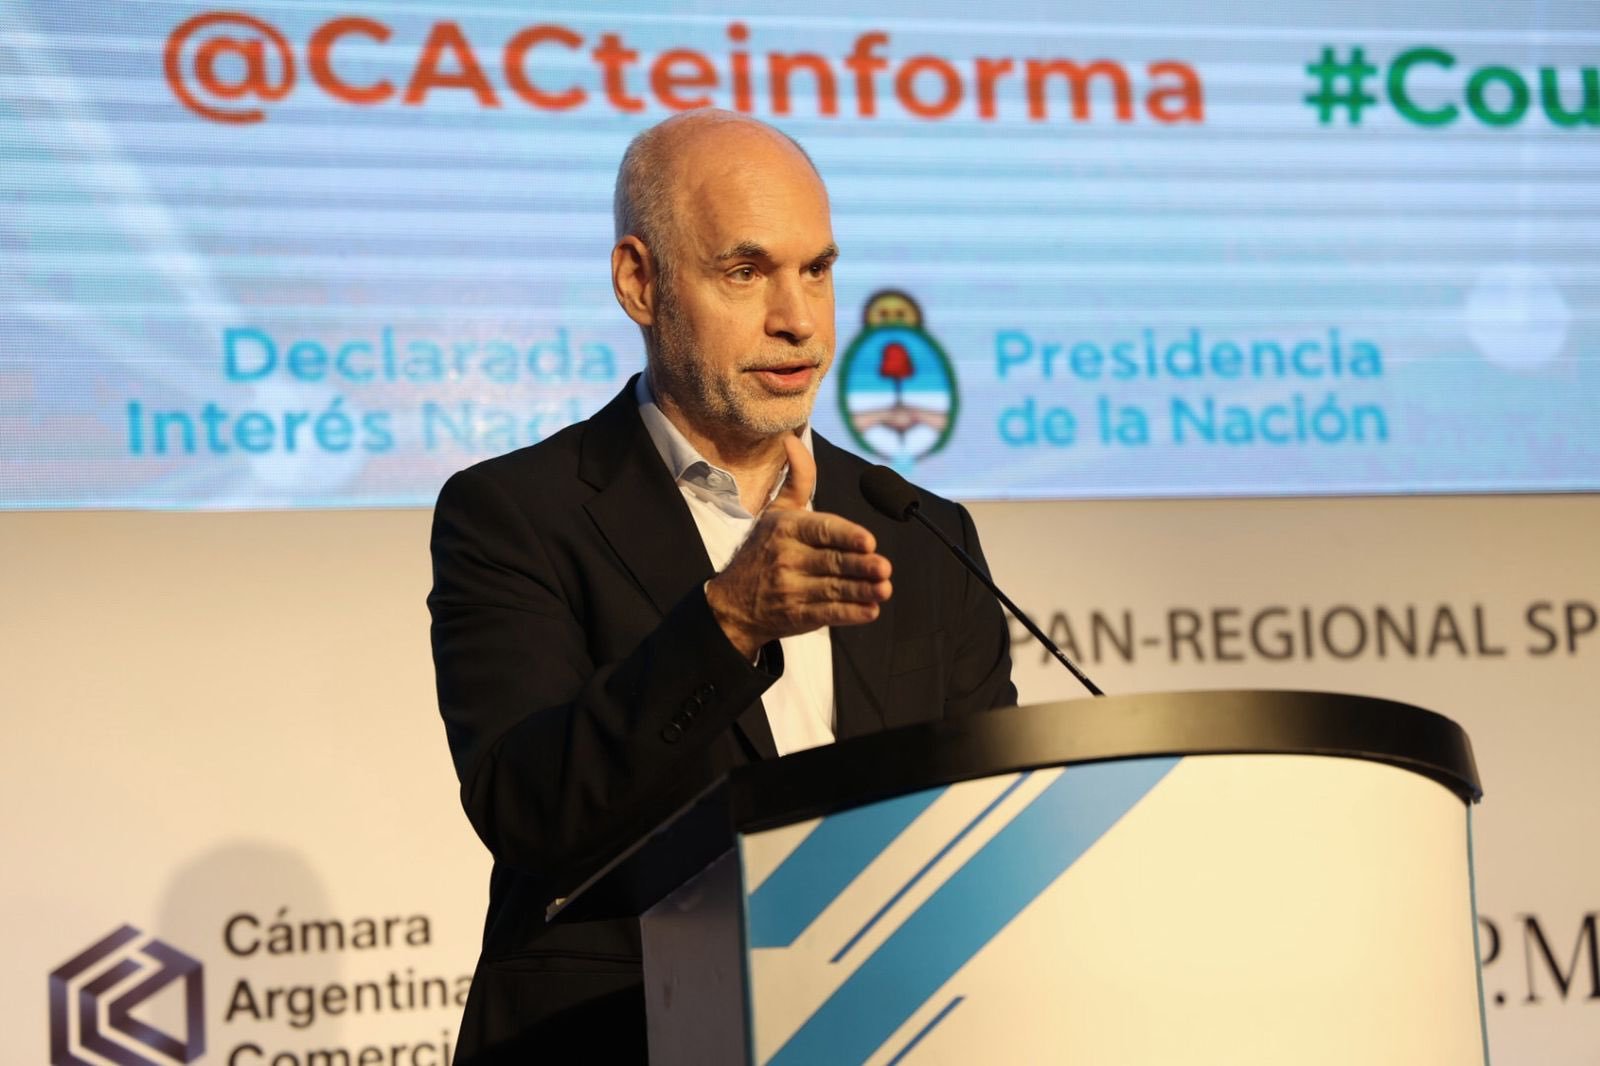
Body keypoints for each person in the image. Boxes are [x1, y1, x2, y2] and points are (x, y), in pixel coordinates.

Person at [428, 109, 1016, 1063]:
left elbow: (983, 825)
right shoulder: (517, 514)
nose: (798, 319)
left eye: (816, 271)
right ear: (640, 282)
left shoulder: (920, 530)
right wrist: (727, 620)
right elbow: (527, 812)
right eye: (745, 272)